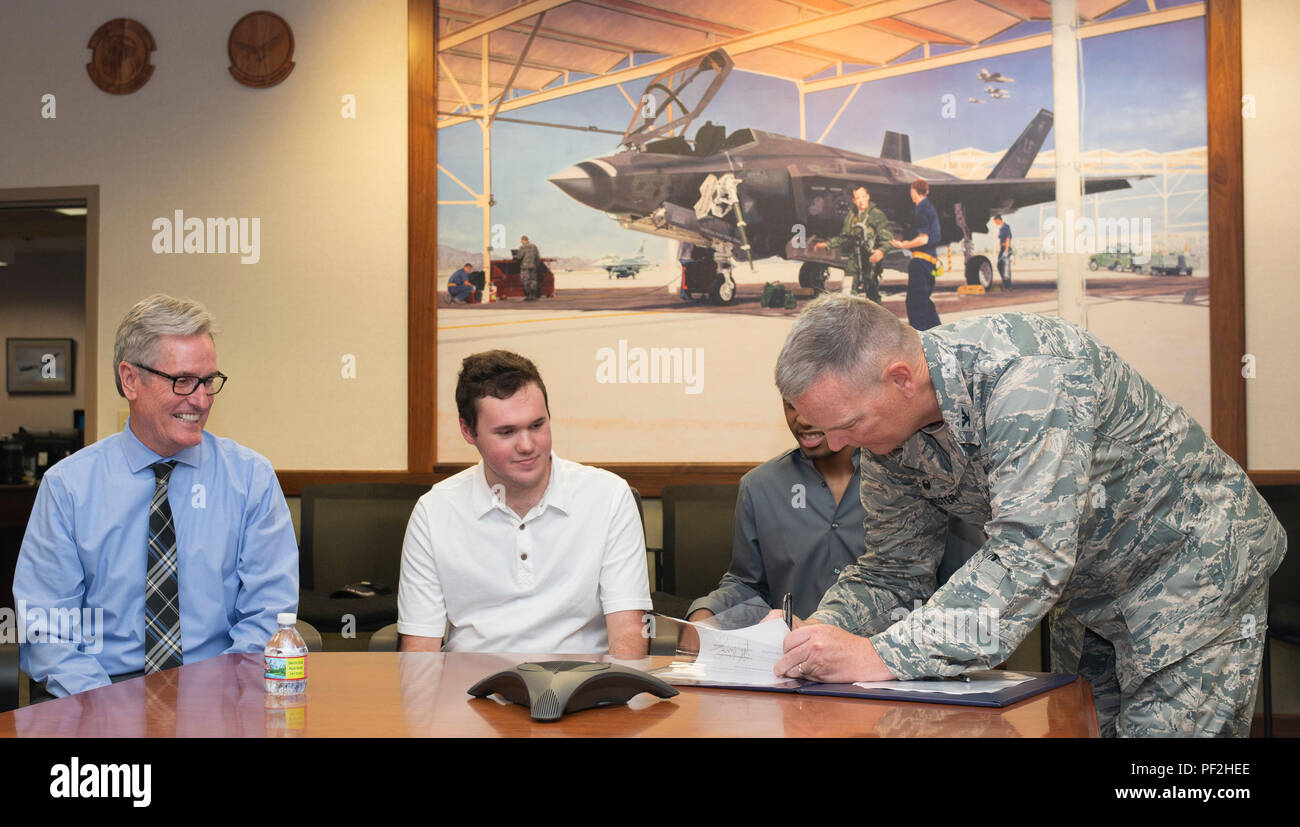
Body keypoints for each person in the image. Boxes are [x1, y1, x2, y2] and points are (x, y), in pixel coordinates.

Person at [770, 295, 1287, 737]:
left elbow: (1031, 553)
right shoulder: (885, 437)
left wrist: (881, 655)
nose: (835, 445)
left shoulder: (1028, 371)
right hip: (1088, 599)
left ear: (900, 378)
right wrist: (817, 635)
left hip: (1193, 575)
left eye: (845, 424)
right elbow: (891, 569)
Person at [13, 294, 299, 697]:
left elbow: (268, 614)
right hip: (101, 692)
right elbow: (48, 629)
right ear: (130, 380)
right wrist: (105, 709)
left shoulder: (250, 479)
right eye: (182, 381)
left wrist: (219, 701)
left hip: (217, 690)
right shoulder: (68, 488)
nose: (199, 400)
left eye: (208, 381)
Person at [397, 350, 651, 656]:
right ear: (468, 431)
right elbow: (419, 652)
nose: (527, 446)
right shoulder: (434, 511)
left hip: (581, 690)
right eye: (506, 432)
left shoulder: (608, 496)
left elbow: (629, 635)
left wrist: (612, 698)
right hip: (469, 693)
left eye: (536, 425)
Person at [683, 399, 865, 639]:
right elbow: (749, 586)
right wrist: (709, 615)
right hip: (794, 660)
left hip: (888, 662)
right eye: (791, 405)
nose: (801, 418)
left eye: (814, 402)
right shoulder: (759, 486)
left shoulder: (903, 480)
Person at [812, 185, 892, 302]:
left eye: (863, 197)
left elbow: (887, 237)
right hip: (855, 257)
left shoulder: (877, 215)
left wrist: (881, 251)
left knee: (871, 291)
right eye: (858, 198)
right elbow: (845, 237)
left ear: (868, 197)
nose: (861, 201)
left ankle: (875, 316)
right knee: (848, 289)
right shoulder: (852, 215)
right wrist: (828, 244)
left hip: (870, 257)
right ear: (854, 200)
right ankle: (849, 315)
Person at [890, 179, 943, 330]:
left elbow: (923, 238)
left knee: (915, 304)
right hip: (929, 262)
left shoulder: (922, 208)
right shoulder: (930, 207)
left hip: (920, 262)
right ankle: (938, 333)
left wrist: (904, 245)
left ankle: (919, 339)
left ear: (913, 191)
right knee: (924, 302)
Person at [516, 235, 541, 301]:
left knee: (526, 281)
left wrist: (516, 256)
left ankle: (528, 296)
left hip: (525, 267)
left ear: (523, 240)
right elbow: (538, 257)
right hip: (533, 266)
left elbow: (519, 257)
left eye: (521, 241)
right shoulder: (534, 246)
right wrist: (537, 265)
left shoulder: (522, 247)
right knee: (533, 280)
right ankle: (534, 295)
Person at [993, 215, 1012, 288]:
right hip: (1002, 248)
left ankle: (1008, 285)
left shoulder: (1006, 227)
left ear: (998, 220)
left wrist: (1006, 250)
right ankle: (1005, 282)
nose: (995, 223)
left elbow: (1008, 238)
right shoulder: (1001, 228)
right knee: (1000, 266)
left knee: (1006, 267)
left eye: (995, 221)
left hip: (1006, 248)